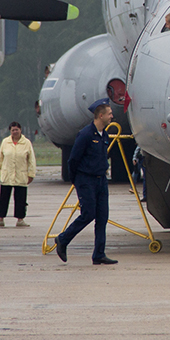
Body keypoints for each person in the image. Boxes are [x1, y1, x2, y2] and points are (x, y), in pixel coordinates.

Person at [54, 98, 117, 265]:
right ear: (101, 115)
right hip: (86, 180)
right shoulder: (85, 134)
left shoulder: (104, 135)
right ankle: (63, 239)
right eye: (109, 113)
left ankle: (99, 254)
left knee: (102, 217)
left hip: (101, 180)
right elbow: (73, 160)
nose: (112, 116)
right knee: (88, 214)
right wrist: (77, 180)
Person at [0, 121, 36, 227]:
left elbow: (32, 160)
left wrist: (31, 174)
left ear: (20, 130)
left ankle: (20, 219)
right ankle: (0, 219)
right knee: (3, 198)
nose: (15, 132)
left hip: (21, 175)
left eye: (17, 129)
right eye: (13, 130)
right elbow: (0, 158)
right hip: (7, 174)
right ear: (10, 131)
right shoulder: (5, 142)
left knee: (20, 198)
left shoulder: (26, 143)